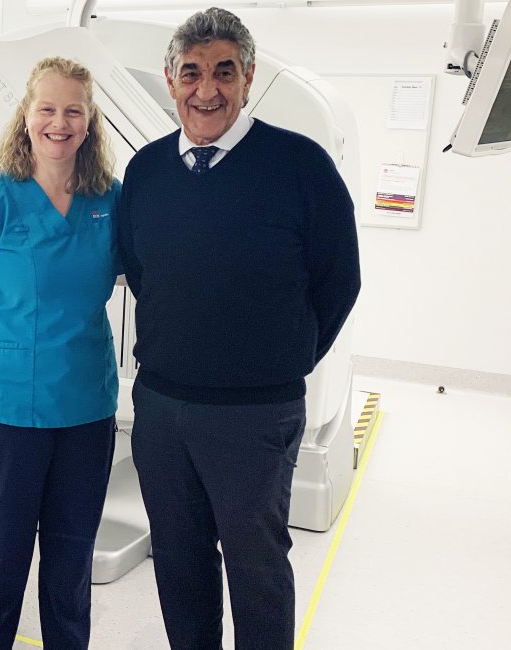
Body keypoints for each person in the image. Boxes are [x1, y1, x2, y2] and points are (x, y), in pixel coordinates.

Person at [115, 8, 361, 650]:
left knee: (257, 569)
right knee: (178, 559)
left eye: (224, 71)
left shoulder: (299, 166)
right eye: (191, 72)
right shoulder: (146, 171)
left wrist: (288, 358)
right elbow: (144, 270)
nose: (207, 89)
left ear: (248, 77)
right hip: (163, 408)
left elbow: (340, 279)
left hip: (256, 414)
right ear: (170, 81)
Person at [0, 56, 121, 650]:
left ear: (89, 123)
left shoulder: (110, 202)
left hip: (87, 406)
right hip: (9, 410)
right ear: (26, 115)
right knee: (3, 552)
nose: (59, 123)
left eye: (73, 111)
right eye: (47, 109)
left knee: (71, 556)